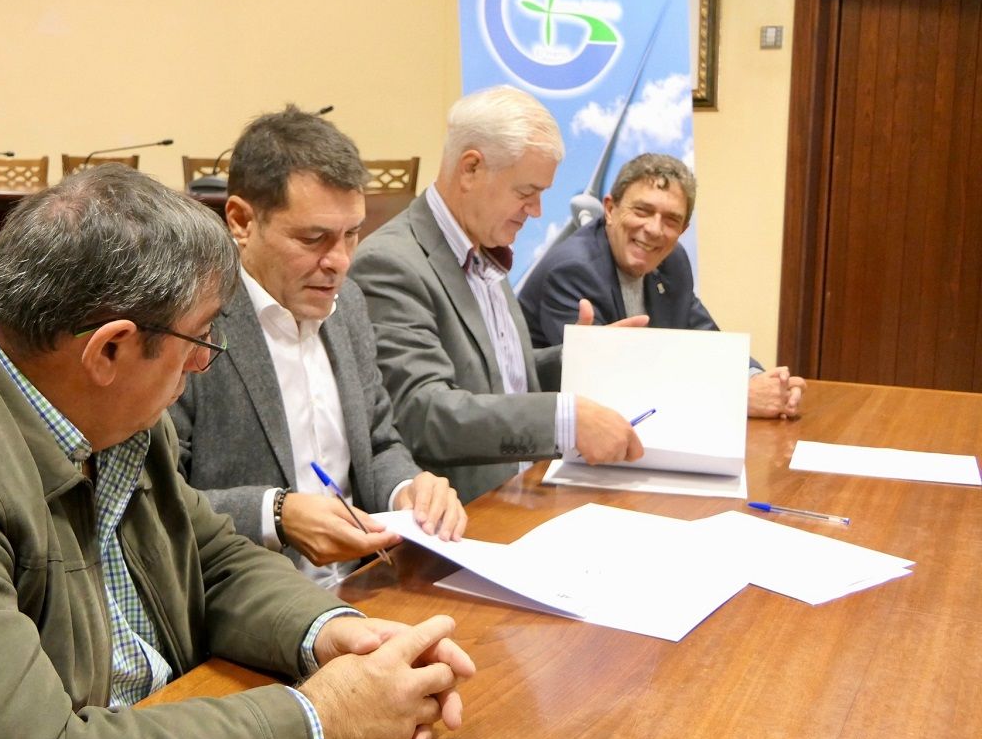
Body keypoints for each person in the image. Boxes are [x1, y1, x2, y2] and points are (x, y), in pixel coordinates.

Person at [0, 164, 473, 739]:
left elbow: (211, 558)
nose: (206, 361)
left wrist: (335, 634)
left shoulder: (99, 404)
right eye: (200, 336)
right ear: (108, 350)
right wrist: (319, 722)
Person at [170, 106, 466, 587]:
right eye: (314, 239)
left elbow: (378, 440)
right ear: (242, 220)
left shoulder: (345, 304)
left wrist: (408, 491)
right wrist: (276, 515)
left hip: (367, 582)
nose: (341, 262)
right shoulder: (192, 321)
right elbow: (157, 498)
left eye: (352, 234)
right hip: (247, 605)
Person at [349, 86, 644, 502]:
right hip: (464, 519)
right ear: (471, 169)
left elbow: (501, 380)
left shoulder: (483, 243)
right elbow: (424, 413)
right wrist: (564, 420)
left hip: (524, 494)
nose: (537, 210)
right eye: (527, 193)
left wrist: (580, 357)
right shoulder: (391, 263)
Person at [517, 152, 806, 419]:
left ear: (683, 230)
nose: (655, 230)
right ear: (609, 209)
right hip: (551, 441)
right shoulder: (573, 270)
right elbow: (605, 388)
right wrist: (734, 397)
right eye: (642, 211)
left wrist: (759, 382)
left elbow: (705, 340)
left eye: (671, 220)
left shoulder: (672, 260)